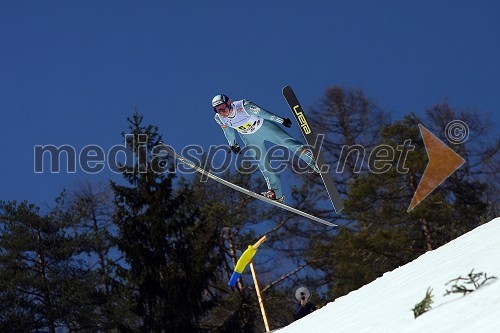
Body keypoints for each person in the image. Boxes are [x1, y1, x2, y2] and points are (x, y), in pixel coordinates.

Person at [212, 94, 318, 202]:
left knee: (288, 142)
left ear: (229, 103)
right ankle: (276, 193)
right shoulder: (219, 118)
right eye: (217, 110)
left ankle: (313, 161)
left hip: (264, 127)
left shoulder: (243, 106)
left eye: (222, 108)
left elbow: (264, 113)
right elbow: (227, 130)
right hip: (249, 137)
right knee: (263, 164)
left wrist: (281, 120)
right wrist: (233, 144)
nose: (221, 112)